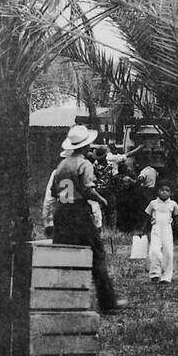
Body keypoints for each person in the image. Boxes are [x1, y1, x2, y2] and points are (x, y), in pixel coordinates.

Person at [50, 125, 124, 312]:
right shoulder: (84, 164)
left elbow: (53, 191)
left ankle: (61, 301)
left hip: (61, 213)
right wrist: (102, 199)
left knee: (63, 255)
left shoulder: (61, 165)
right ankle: (108, 303)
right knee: (96, 254)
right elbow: (88, 190)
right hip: (77, 213)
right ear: (85, 146)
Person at [143, 183, 178, 283]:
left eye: (167, 190)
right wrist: (143, 230)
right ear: (158, 191)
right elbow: (147, 218)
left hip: (167, 230)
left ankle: (166, 276)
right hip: (156, 229)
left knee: (168, 252)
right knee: (154, 251)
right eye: (162, 190)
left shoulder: (173, 204)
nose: (164, 192)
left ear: (170, 193)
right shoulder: (153, 203)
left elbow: (176, 219)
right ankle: (155, 274)